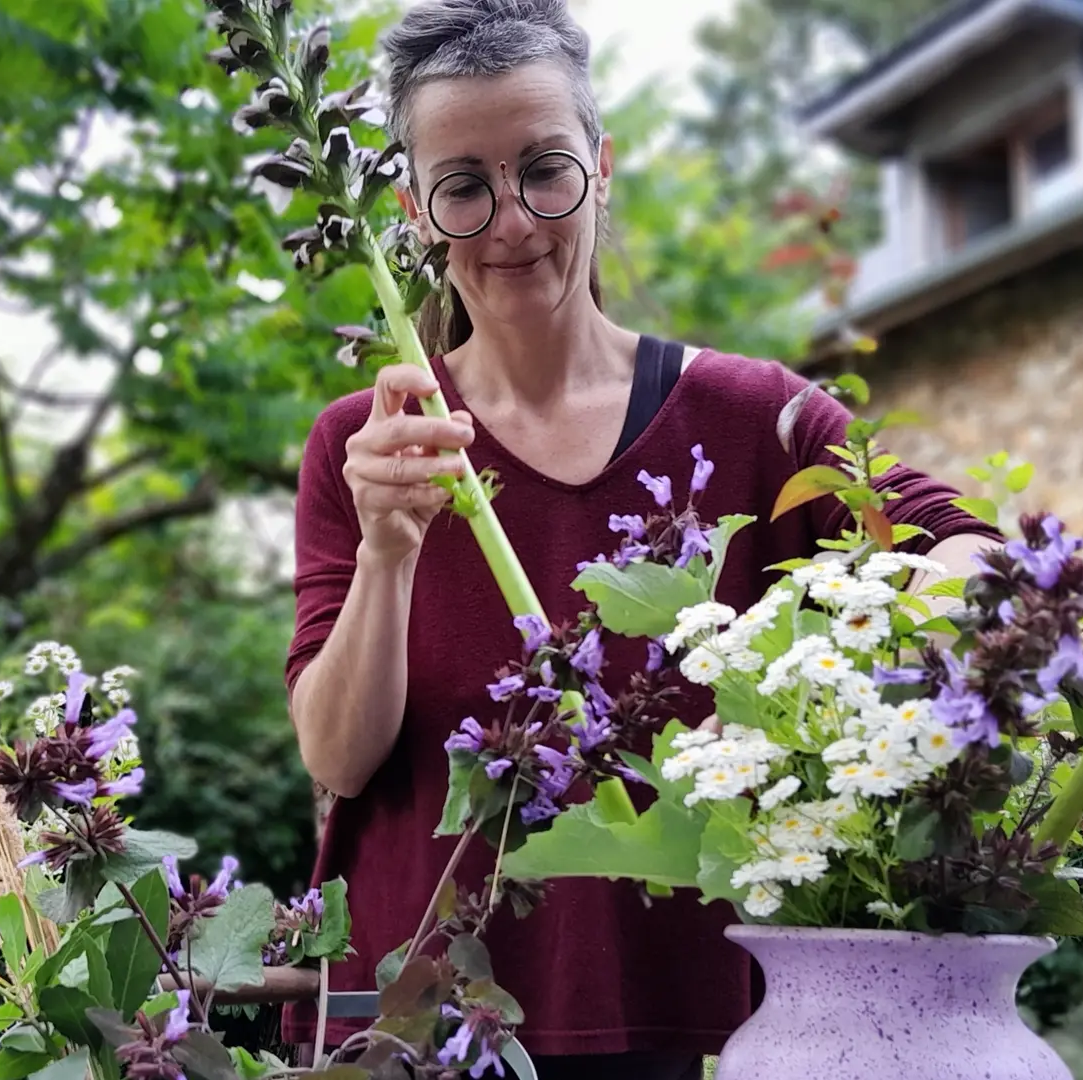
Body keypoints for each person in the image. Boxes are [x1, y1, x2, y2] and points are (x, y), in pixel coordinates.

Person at [279, 1, 1003, 1075]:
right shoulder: (368, 442)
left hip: (703, 1019)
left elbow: (971, 552)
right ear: (412, 213)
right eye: (464, 188)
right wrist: (390, 550)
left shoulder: (757, 419)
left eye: (546, 169)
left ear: (603, 167)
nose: (515, 222)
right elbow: (336, 756)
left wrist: (887, 680)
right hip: (424, 1027)